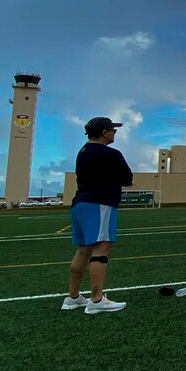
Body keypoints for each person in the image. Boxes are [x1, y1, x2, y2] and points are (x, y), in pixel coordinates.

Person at [62, 117, 134, 313]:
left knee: (83, 249)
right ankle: (96, 299)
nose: (114, 133)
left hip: (81, 202)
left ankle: (73, 297)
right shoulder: (111, 154)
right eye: (112, 130)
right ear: (104, 132)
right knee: (102, 247)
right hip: (99, 203)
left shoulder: (82, 152)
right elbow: (127, 178)